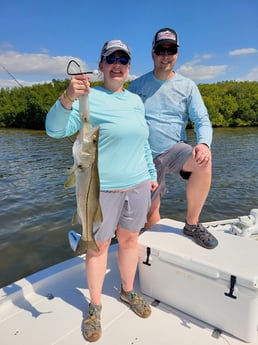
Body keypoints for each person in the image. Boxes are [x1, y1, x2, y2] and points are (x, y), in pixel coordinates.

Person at [45, 39, 158, 342]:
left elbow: (143, 142)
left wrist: (150, 174)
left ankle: (127, 291)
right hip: (101, 189)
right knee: (98, 246)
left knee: (131, 239)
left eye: (123, 60)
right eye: (111, 59)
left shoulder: (135, 101)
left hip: (137, 186)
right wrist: (68, 97)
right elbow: (54, 130)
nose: (117, 65)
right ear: (101, 65)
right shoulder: (88, 99)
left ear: (129, 67)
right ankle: (95, 307)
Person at [129, 28, 218, 250]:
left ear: (177, 54)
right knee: (151, 212)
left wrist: (204, 143)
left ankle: (192, 224)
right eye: (161, 50)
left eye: (171, 50)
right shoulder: (136, 86)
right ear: (153, 53)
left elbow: (202, 120)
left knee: (203, 162)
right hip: (144, 156)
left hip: (176, 150)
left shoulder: (188, 86)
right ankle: (150, 250)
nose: (165, 56)